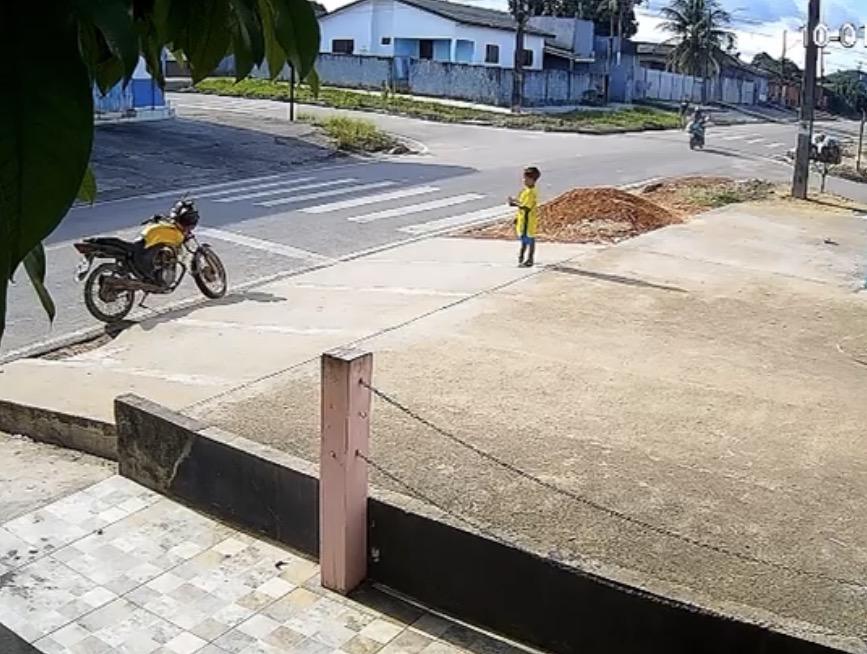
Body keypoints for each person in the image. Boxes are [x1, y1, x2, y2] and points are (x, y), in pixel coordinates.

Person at [508, 166, 541, 268]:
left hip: (528, 220)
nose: (524, 180)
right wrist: (517, 216)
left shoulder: (530, 193)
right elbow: (523, 204)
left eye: (526, 179)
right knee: (526, 240)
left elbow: (526, 207)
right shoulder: (526, 191)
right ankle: (523, 258)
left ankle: (527, 259)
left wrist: (514, 204)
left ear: (531, 180)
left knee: (528, 240)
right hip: (524, 219)